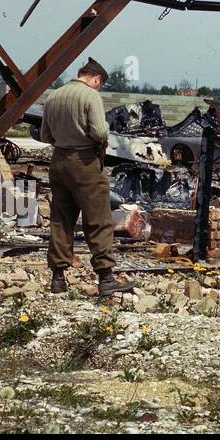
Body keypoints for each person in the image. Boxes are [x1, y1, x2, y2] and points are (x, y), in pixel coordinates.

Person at [39, 58, 133, 296]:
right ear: (96, 79)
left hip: (58, 162)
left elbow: (45, 135)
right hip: (85, 162)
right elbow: (100, 132)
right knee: (98, 220)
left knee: (61, 220)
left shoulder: (53, 96)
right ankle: (106, 277)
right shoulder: (91, 96)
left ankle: (58, 279)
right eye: (100, 84)